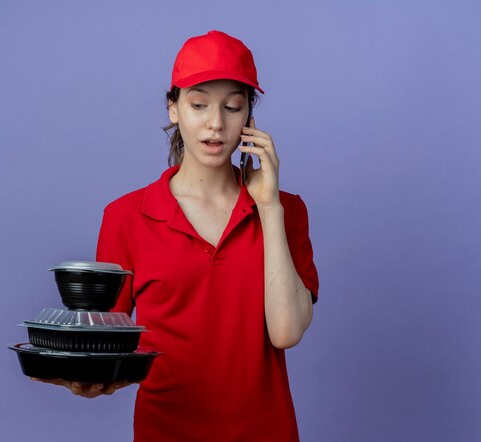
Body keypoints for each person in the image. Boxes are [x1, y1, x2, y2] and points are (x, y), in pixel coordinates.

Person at [34, 30, 319, 441]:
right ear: (173, 108)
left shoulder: (287, 210)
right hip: (165, 430)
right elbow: (102, 342)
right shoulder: (125, 217)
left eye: (232, 106)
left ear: (249, 118)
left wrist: (269, 207)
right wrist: (86, 378)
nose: (216, 123)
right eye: (199, 104)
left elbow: (286, 332)